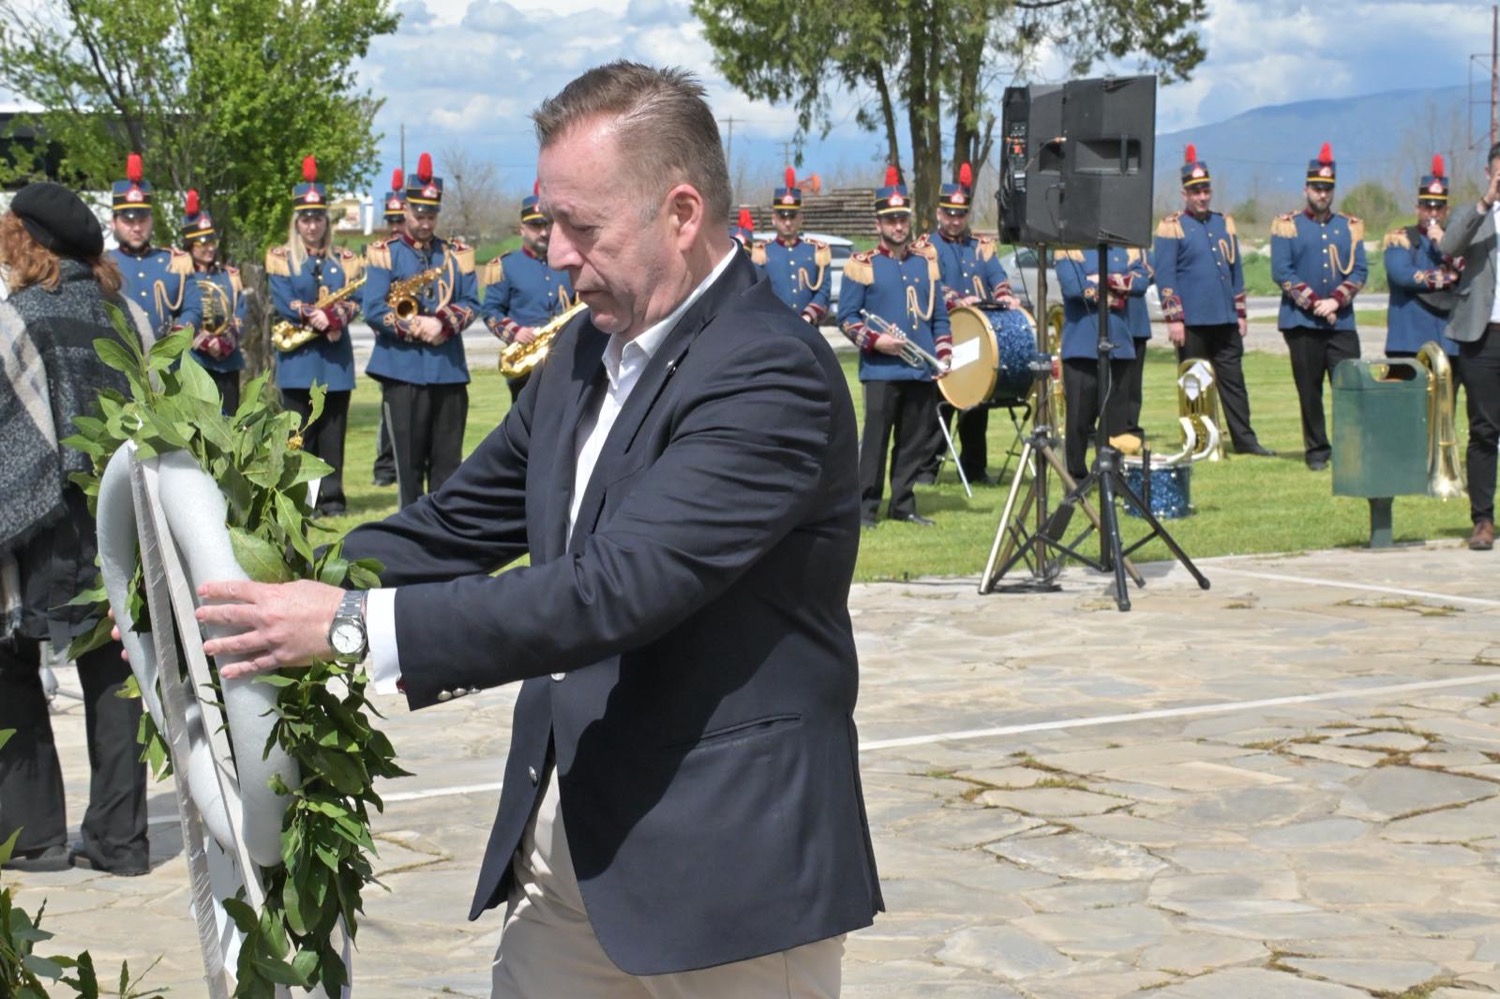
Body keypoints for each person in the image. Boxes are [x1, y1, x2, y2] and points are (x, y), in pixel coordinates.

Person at [192, 61, 882, 996]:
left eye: (582, 227)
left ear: (681, 214)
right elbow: (454, 525)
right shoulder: (587, 352)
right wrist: (235, 585)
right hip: (569, 861)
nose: (554, 253)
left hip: (725, 887)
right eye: (549, 222)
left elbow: (612, 590)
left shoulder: (769, 373)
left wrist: (349, 627)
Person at [0, 181, 151, 876]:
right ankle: (121, 841)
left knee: (9, 663)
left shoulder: (17, 319)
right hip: (117, 520)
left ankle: (33, 836)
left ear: (26, 240)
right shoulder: (129, 315)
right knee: (115, 667)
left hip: (38, 529)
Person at [362, 152, 479, 509]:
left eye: (431, 216)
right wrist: (414, 326)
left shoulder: (456, 253)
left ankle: (444, 530)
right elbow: (374, 308)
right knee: (409, 468)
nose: (425, 223)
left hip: (448, 370)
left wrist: (442, 323)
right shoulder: (385, 252)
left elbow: (472, 302)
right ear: (405, 209)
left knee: (447, 465)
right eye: (419, 215)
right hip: (402, 372)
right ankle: (410, 531)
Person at [839, 166, 950, 528]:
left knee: (913, 442)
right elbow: (847, 318)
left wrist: (944, 353)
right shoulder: (862, 264)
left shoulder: (925, 262)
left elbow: (939, 316)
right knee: (875, 442)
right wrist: (877, 341)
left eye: (902, 219)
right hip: (881, 369)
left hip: (919, 370)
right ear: (879, 224)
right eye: (891, 220)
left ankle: (903, 504)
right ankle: (865, 508)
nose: (898, 226)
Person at [1153, 145, 1273, 457]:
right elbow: (1165, 276)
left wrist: (1240, 313)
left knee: (1234, 383)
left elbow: (1235, 271)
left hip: (1225, 318)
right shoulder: (1172, 226)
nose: (1202, 197)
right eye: (1196, 192)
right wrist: (1174, 318)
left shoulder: (1223, 223)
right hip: (1192, 321)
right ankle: (1198, 440)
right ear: (1184, 194)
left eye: (1206, 191)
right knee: (1194, 382)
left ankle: (1245, 441)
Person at [265, 156, 363, 518]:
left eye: (318, 218)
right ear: (297, 222)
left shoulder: (345, 259)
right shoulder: (281, 258)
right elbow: (283, 300)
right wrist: (318, 318)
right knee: (300, 435)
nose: (312, 225)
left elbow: (358, 299)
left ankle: (332, 499)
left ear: (326, 221)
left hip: (335, 362)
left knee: (333, 433)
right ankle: (303, 500)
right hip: (299, 361)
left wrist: (336, 316)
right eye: (305, 219)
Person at [1271, 143, 1366, 471]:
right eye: (1316, 188)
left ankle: (1351, 447)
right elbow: (1282, 272)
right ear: (1306, 189)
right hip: (1302, 323)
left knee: (1350, 387)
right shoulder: (1287, 225)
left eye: (1327, 188)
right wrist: (1316, 304)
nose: (1322, 194)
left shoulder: (1349, 226)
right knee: (1309, 391)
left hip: (1342, 323)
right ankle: (1317, 451)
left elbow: (1360, 271)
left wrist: (1336, 300)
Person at [925, 162, 1017, 486]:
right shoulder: (927, 247)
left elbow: (998, 278)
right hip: (943, 335)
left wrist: (1005, 296)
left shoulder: (981, 247)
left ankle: (975, 467)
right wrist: (958, 299)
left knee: (977, 403)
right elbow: (932, 287)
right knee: (940, 405)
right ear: (939, 213)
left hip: (977, 335)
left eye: (961, 215)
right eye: (950, 214)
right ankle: (927, 468)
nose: (955, 220)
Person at [1440, 142, 1500, 551]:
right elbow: (1448, 247)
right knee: (1484, 430)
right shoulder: (1474, 213)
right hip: (1485, 335)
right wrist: (1486, 201)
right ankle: (1482, 519)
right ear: (1488, 173)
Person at [1055, 245, 1148, 481]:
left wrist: (1100, 280)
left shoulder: (1126, 250)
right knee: (1079, 420)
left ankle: (1111, 476)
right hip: (1082, 346)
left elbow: (1141, 282)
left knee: (1116, 421)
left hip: (1119, 345)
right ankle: (1075, 477)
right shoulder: (1071, 249)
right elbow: (1074, 288)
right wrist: (1117, 286)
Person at [480, 186, 575, 401]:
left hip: (566, 363)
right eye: (535, 226)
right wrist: (515, 332)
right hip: (526, 365)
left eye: (546, 224)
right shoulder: (505, 265)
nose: (543, 232)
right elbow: (490, 311)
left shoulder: (569, 262)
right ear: (522, 229)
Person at [108, 153, 202, 338]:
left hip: (166, 355)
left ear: (151, 220)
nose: (137, 228)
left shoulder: (176, 263)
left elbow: (194, 308)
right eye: (128, 221)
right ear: (113, 222)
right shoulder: (103, 264)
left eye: (142, 220)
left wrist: (177, 337)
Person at [1384, 155, 1460, 363]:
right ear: (1418, 208)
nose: (1433, 213)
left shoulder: (1456, 243)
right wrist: (1447, 278)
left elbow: (1469, 271)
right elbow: (1402, 275)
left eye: (1438, 208)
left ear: (1446, 210)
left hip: (1448, 342)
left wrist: (1446, 245)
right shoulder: (1400, 238)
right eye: (1427, 207)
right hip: (1409, 340)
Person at [181, 189, 247, 414]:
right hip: (195, 362)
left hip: (228, 362)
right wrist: (204, 342)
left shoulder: (229, 276)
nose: (209, 248)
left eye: (211, 242)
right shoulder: (181, 276)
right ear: (190, 245)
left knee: (228, 423)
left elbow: (240, 311)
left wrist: (224, 342)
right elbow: (178, 315)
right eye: (202, 243)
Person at [749, 167, 832, 325]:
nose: (788, 222)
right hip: (774, 328)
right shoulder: (761, 252)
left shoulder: (816, 251)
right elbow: (756, 293)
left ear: (801, 219)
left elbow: (824, 291)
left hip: (809, 327)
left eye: (792, 217)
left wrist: (808, 316)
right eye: (782, 217)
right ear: (773, 219)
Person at [371, 168, 405, 488]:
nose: (396, 226)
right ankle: (385, 466)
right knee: (388, 412)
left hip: (413, 340)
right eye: (392, 220)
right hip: (389, 340)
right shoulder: (381, 252)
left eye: (400, 219)